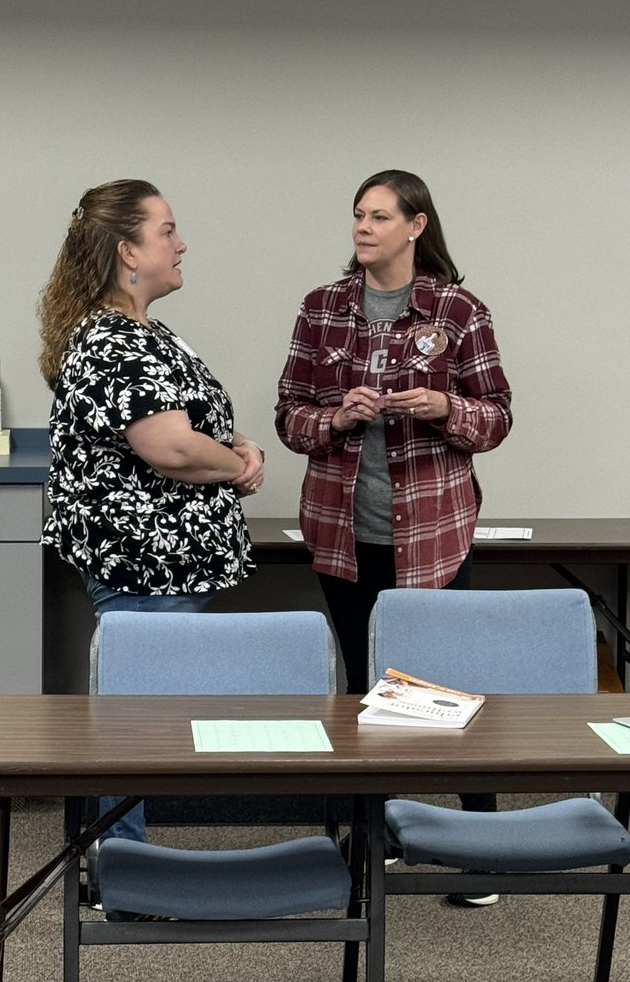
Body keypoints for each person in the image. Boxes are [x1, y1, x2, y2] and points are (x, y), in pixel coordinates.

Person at [275, 169, 512, 905]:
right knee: (359, 695)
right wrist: (338, 418)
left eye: (379, 216)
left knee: (444, 694)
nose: (363, 228)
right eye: (357, 215)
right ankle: (363, 849)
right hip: (345, 535)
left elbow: (497, 415)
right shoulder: (322, 309)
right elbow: (290, 418)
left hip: (434, 538)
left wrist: (445, 406)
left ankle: (478, 851)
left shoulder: (459, 309)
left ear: (416, 226)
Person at [38, 178, 265, 858]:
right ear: (126, 252)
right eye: (166, 230)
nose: (181, 242)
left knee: (135, 707)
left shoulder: (144, 333)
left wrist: (232, 448)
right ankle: (120, 864)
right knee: (136, 716)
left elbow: (188, 427)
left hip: (162, 564)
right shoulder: (115, 342)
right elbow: (167, 447)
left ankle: (116, 859)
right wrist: (240, 465)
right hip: (145, 564)